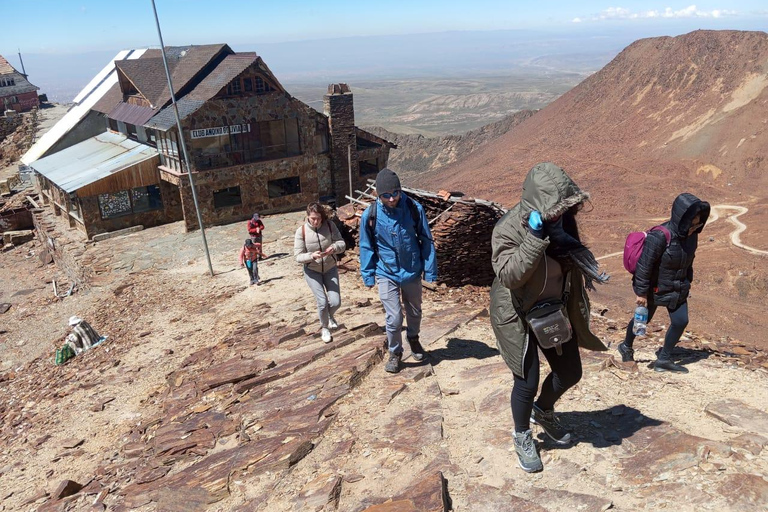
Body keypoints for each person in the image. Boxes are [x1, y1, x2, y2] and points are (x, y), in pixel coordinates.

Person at [490, 162, 610, 473]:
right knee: (526, 381)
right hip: (517, 312)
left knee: (570, 372)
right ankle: (522, 435)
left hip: (554, 309)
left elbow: (572, 255)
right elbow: (509, 275)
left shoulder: (562, 223)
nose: (560, 215)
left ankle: (542, 411)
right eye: (555, 209)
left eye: (565, 208)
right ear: (537, 204)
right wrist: (533, 237)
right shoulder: (508, 228)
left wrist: (589, 268)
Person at [618, 193, 710, 373]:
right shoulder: (660, 236)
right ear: (682, 219)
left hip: (677, 287)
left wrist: (687, 281)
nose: (694, 227)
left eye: (698, 223)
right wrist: (642, 293)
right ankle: (626, 346)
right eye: (692, 223)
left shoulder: (692, 236)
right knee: (642, 321)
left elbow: (689, 260)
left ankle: (664, 359)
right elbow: (645, 266)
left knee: (681, 321)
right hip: (655, 288)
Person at [359, 168, 437, 374]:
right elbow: (366, 246)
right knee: (393, 317)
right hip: (386, 272)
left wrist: (430, 271)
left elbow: (426, 240)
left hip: (411, 270)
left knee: (414, 311)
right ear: (378, 194)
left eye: (395, 193)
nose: (392, 199)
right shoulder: (370, 215)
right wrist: (368, 275)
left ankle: (413, 337)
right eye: (386, 195)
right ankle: (395, 352)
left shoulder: (413, 208)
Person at [294, 202, 346, 343]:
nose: (316, 221)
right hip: (312, 271)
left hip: (330, 268)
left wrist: (334, 247)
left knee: (336, 302)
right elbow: (297, 256)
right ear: (308, 217)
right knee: (322, 302)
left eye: (318, 218)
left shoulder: (330, 226)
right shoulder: (301, 231)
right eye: (312, 218)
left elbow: (342, 243)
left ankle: (329, 316)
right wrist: (311, 256)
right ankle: (324, 328)